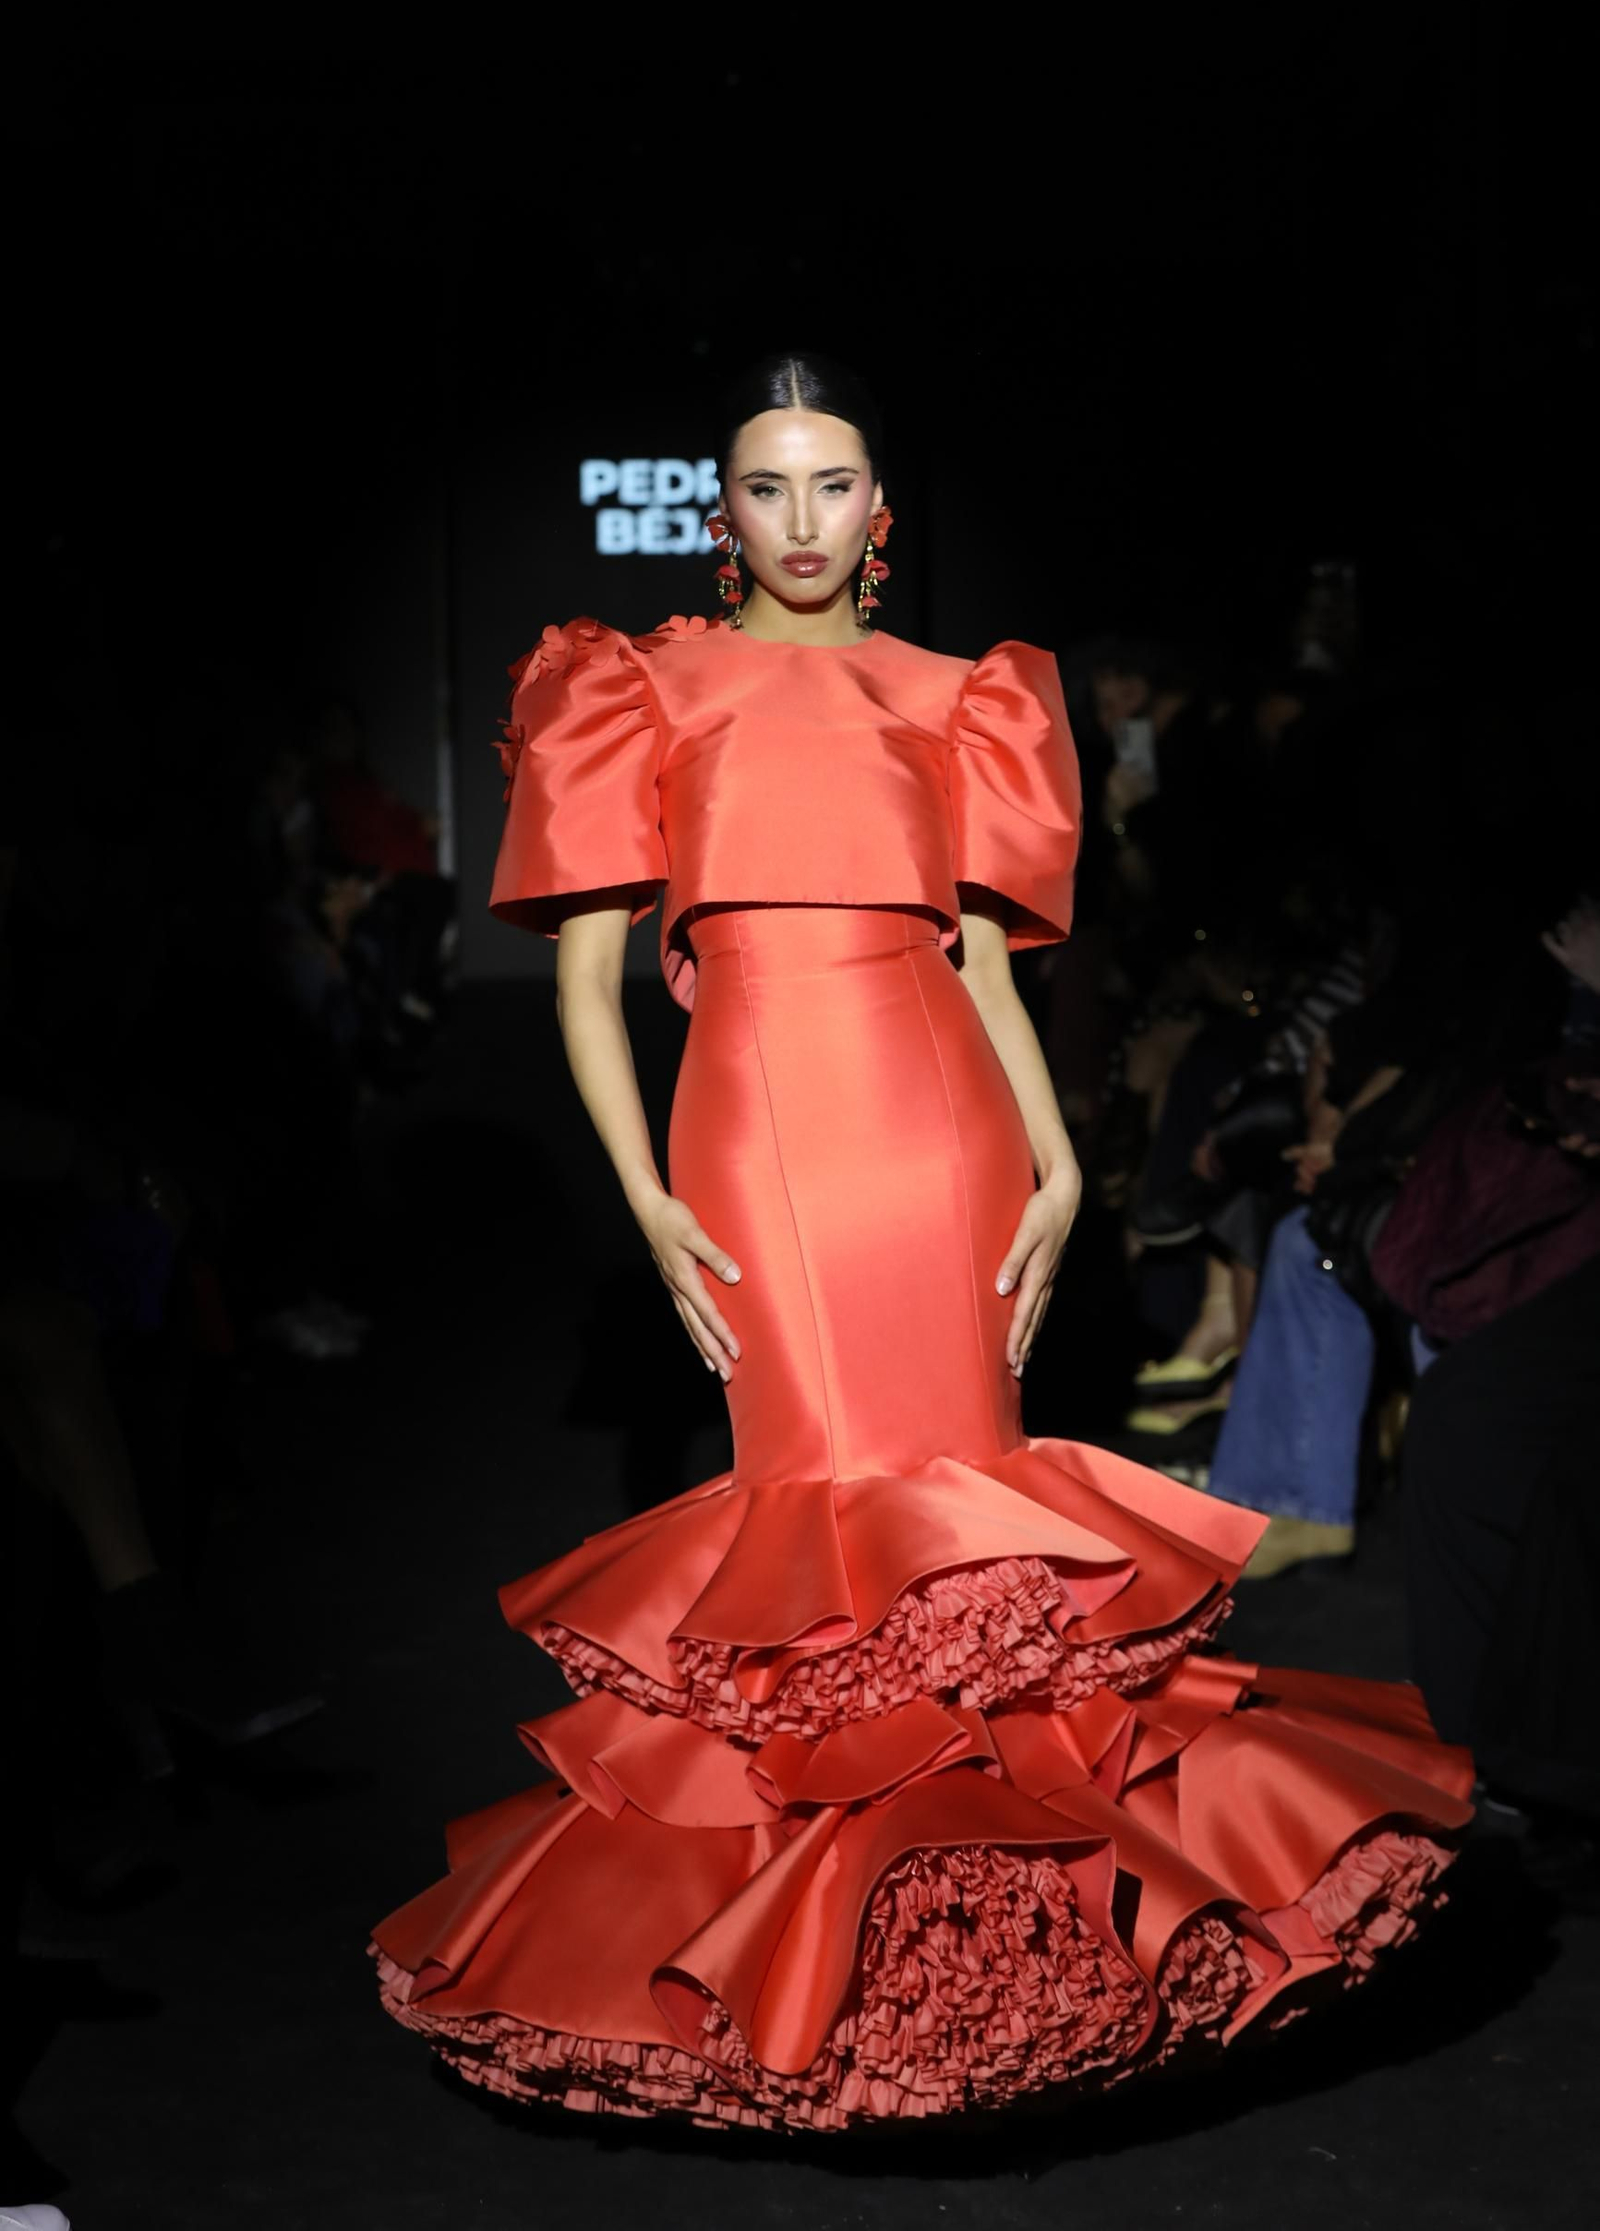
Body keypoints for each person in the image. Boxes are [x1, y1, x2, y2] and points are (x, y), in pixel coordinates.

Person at [369, 354, 1473, 2132]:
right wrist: (650, 1194)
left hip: (942, 1130)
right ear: (723, 516)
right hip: (757, 1125)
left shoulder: (961, 699)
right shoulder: (632, 690)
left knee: (970, 1515)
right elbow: (587, 979)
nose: (802, 521)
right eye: (767, 488)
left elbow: (976, 963)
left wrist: (1051, 1163)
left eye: (835, 487)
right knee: (822, 1507)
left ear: (879, 515)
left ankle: (1004, 1964)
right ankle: (824, 1981)